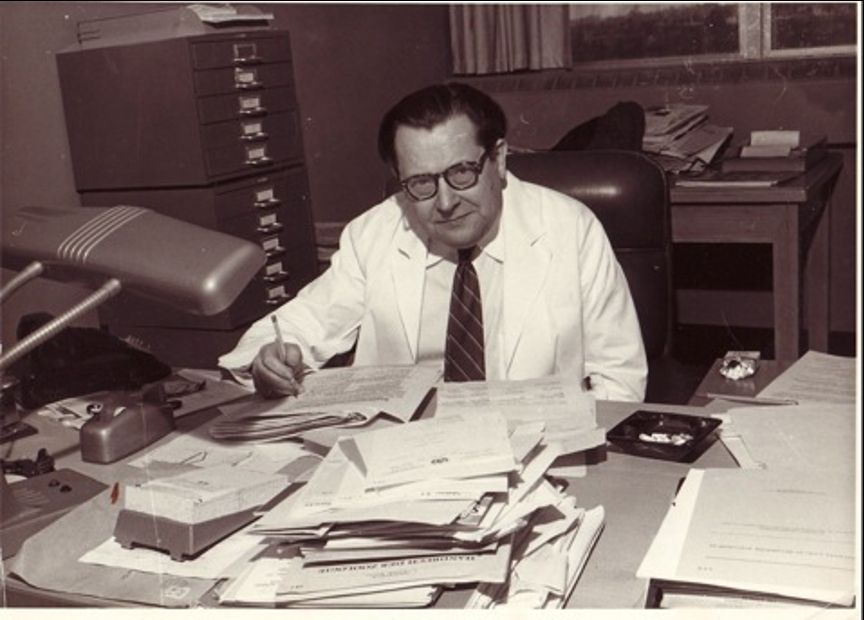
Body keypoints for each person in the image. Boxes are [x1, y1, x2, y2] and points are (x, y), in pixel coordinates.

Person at [218, 83, 647, 401]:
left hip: (540, 453)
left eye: (461, 173)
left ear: (497, 160)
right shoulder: (374, 234)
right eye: (421, 182)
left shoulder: (570, 229)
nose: (444, 202)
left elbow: (620, 379)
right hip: (403, 456)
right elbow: (292, 329)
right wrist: (269, 362)